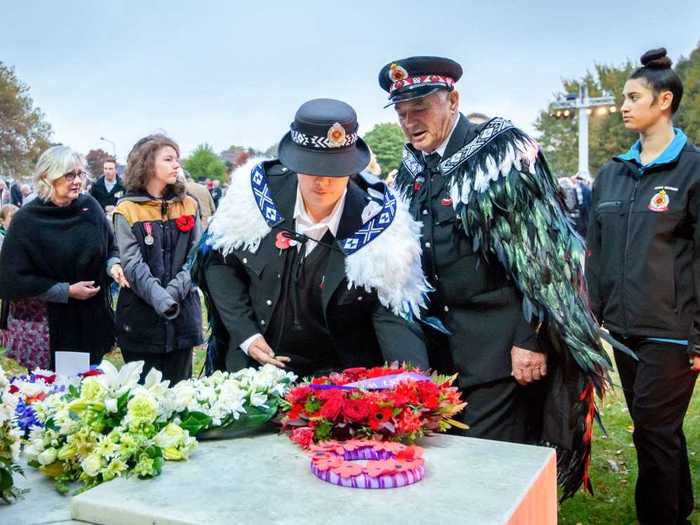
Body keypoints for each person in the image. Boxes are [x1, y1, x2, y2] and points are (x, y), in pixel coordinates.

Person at [378, 56, 613, 496]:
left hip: (501, 346)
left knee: (492, 467)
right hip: (440, 347)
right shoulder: (413, 166)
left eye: (421, 109)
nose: (409, 123)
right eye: (401, 114)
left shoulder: (500, 153)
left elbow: (548, 258)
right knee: (448, 462)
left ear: (453, 101)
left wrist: (532, 338)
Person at [193, 98, 429, 377]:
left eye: (335, 171)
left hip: (335, 379)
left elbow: (392, 308)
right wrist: (246, 334)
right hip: (253, 371)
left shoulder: (379, 221)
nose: (323, 181)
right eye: (313, 168)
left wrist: (412, 382)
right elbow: (219, 263)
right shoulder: (255, 196)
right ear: (294, 163)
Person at [586, 48, 699, 525]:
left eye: (634, 97)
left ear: (665, 100)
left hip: (673, 331)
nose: (625, 105)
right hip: (623, 331)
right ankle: (681, 509)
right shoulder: (612, 173)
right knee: (660, 432)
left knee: (652, 432)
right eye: (623, 97)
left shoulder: (693, 169)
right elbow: (595, 251)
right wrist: (591, 316)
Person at [0, 146, 122, 370]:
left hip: (89, 320)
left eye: (79, 174)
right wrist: (66, 291)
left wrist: (113, 266)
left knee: (89, 390)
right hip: (47, 327)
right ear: (47, 177)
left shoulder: (90, 208)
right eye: (69, 175)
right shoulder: (27, 219)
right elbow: (12, 278)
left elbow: (111, 247)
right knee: (51, 394)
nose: (77, 181)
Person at [113, 134, 202, 383]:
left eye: (177, 159)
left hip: (182, 317)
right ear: (147, 164)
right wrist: (160, 298)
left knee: (181, 397)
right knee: (145, 400)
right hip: (141, 320)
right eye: (169, 159)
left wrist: (172, 293)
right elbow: (132, 264)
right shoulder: (127, 210)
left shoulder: (189, 205)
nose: (177, 165)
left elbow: (196, 257)